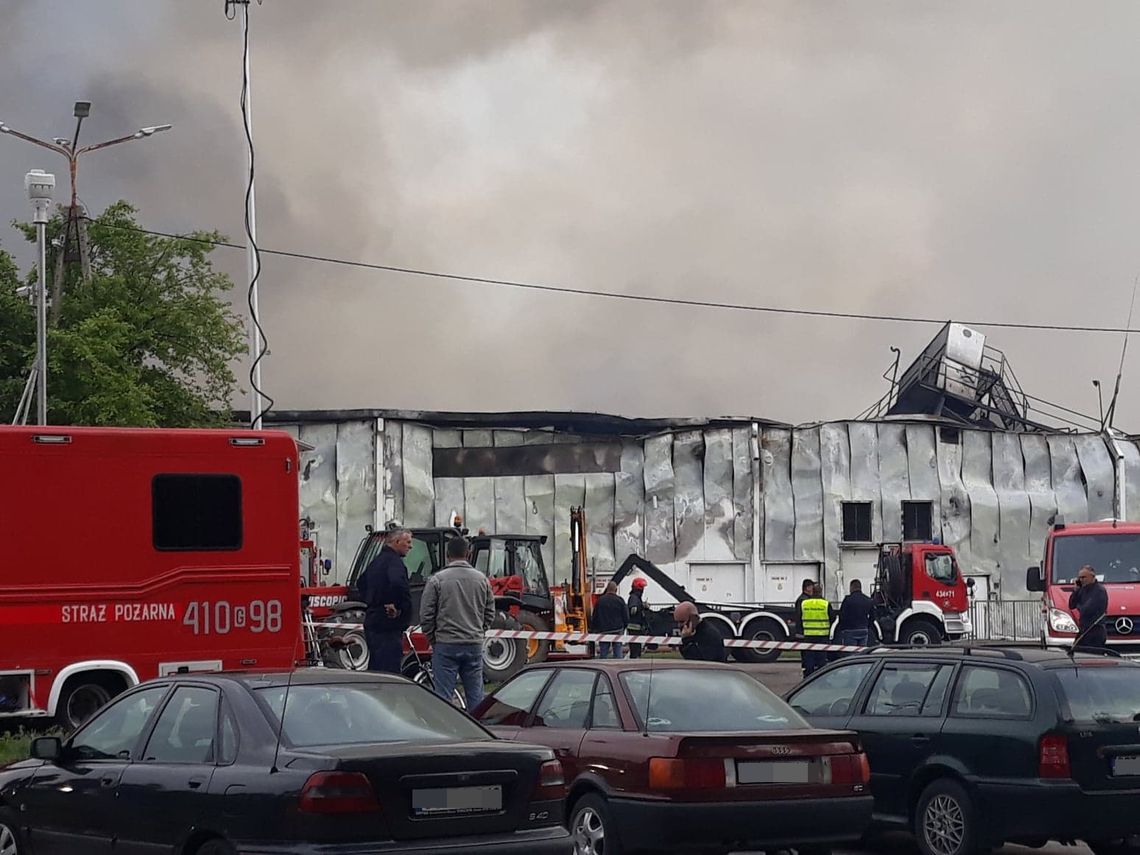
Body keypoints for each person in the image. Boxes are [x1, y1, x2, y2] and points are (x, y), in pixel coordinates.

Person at [420, 536, 496, 708]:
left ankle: (446, 729)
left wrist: (433, 638)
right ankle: (476, 729)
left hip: (446, 644)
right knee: (475, 696)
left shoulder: (437, 580)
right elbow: (490, 611)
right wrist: (480, 631)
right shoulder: (482, 580)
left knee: (443, 697)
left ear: (447, 555)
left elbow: (426, 614)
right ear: (469, 553)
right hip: (473, 643)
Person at [356, 527, 413, 674]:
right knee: (390, 671)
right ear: (397, 541)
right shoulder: (394, 563)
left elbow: (361, 583)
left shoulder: (376, 561)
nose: (410, 546)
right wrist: (398, 607)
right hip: (388, 625)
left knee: (376, 667)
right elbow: (398, 584)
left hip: (372, 621)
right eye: (408, 542)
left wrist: (372, 600)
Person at [1069, 564, 1109, 650]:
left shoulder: (1099, 590)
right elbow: (1071, 605)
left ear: (1092, 577)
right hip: (1084, 629)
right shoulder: (1082, 589)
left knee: (1093, 655)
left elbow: (1086, 610)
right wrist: (1075, 590)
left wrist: (1079, 606)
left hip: (1095, 630)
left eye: (1084, 577)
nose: (1081, 580)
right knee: (1077, 652)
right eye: (1079, 578)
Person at [799, 584, 832, 677]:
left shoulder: (805, 603)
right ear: (821, 592)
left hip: (808, 635)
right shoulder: (825, 604)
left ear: (812, 592)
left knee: (809, 658)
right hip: (822, 635)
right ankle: (821, 678)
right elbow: (832, 617)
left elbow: (799, 617)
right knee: (821, 659)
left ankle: (809, 678)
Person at [592, 582, 629, 659]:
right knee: (618, 649)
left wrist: (594, 628)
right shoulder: (620, 600)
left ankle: (603, 666)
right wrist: (625, 626)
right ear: (616, 589)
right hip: (617, 629)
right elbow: (625, 615)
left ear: (607, 589)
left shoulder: (600, 600)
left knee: (603, 651)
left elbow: (595, 615)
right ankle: (618, 665)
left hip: (603, 630)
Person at [837, 579, 875, 651]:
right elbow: (873, 617)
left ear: (852, 587)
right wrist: (867, 626)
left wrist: (842, 628)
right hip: (863, 630)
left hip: (850, 630)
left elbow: (842, 615)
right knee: (862, 653)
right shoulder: (868, 600)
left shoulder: (847, 600)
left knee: (851, 654)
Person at [627, 577, 649, 659]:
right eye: (642, 587)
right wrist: (642, 606)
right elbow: (633, 610)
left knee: (637, 647)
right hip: (634, 627)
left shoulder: (636, 597)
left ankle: (636, 658)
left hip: (636, 627)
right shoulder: (634, 597)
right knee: (635, 649)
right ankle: (635, 660)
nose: (643, 590)